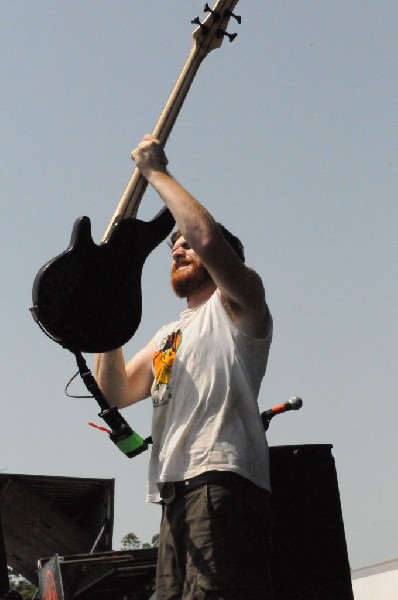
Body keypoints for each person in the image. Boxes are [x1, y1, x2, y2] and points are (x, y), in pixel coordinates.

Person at [95, 134, 274, 599]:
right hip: (174, 488)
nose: (177, 249)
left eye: (184, 244)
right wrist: (105, 309)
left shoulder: (240, 303)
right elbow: (114, 391)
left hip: (217, 477)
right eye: (172, 247)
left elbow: (207, 237)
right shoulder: (166, 335)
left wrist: (156, 173)